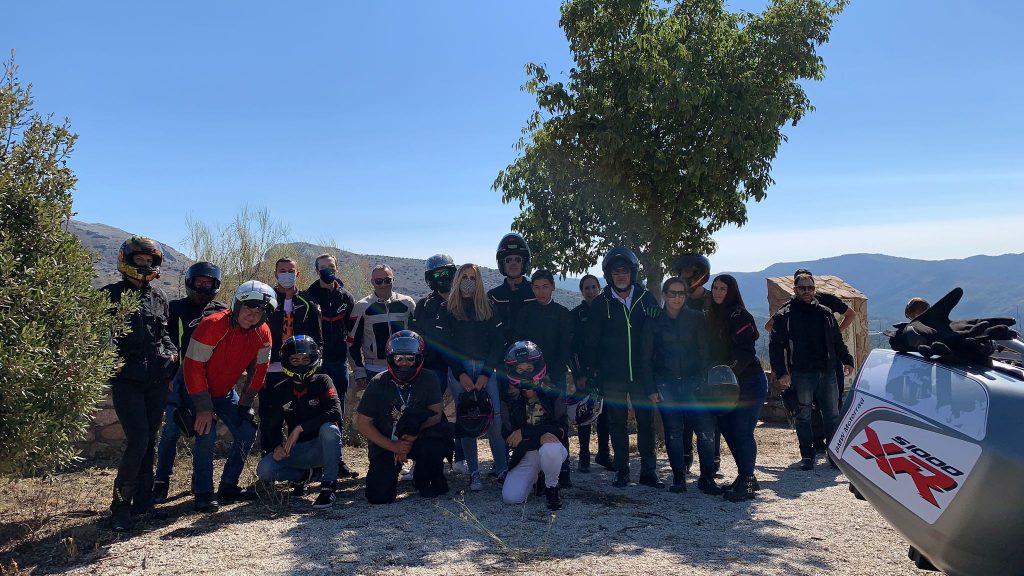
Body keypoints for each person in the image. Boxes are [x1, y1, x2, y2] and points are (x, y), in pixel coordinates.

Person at [101, 236, 178, 532]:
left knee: (150, 440)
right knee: (138, 440)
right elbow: (99, 339)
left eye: (149, 261)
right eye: (140, 260)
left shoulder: (159, 297)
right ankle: (120, 507)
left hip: (156, 380)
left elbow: (164, 334)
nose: (145, 265)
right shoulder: (109, 295)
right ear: (126, 260)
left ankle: (143, 504)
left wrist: (172, 354)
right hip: (127, 381)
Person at [183, 280, 275, 510]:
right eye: (248, 309)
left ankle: (228, 486)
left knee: (247, 430)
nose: (252, 316)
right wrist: (203, 408)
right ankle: (203, 493)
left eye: (259, 312)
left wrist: (245, 403)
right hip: (195, 390)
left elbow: (259, 370)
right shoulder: (212, 325)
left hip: (224, 393)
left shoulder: (263, 333)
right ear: (236, 305)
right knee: (207, 432)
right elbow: (193, 367)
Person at [583, 247, 663, 489]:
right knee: (616, 423)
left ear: (632, 273)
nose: (620, 275)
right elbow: (591, 341)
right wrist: (591, 372)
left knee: (646, 423)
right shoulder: (601, 303)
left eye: (625, 271)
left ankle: (648, 471)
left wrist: (656, 318)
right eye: (616, 272)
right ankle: (621, 470)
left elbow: (660, 336)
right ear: (609, 275)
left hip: (641, 373)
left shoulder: (646, 299)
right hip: (613, 374)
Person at [153, 261, 228, 504]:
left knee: (206, 432)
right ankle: (161, 481)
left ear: (215, 285)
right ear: (190, 282)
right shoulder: (175, 308)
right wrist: (170, 376)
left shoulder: (221, 311)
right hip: (180, 380)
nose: (203, 286)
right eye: (199, 282)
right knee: (171, 431)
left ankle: (201, 482)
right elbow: (167, 342)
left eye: (208, 283)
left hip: (208, 382)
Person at [769, 272, 855, 471]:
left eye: (810, 288)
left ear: (815, 290)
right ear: (795, 289)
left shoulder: (825, 312)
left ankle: (834, 456)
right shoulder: (785, 315)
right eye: (802, 288)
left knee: (832, 415)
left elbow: (836, 340)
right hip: (801, 373)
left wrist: (847, 360)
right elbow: (776, 347)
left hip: (828, 371)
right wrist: (781, 372)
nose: (806, 291)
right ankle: (807, 456)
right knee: (803, 416)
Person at [356, 331, 451, 503]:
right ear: (390, 359)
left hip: (420, 437)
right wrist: (395, 446)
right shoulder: (378, 382)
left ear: (419, 359)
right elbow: (363, 423)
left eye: (410, 358)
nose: (404, 363)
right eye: (399, 358)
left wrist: (410, 438)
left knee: (438, 436)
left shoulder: (429, 378)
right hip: (387, 440)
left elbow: (436, 415)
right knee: (379, 496)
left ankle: (424, 477)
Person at [439, 263, 509, 491]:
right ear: (458, 279)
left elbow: (498, 342)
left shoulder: (489, 307)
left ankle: (502, 469)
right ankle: (474, 473)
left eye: (473, 277)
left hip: (486, 370)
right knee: (467, 421)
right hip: (459, 372)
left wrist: (486, 374)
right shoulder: (447, 308)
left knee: (495, 420)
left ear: (478, 281)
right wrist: (460, 373)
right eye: (465, 277)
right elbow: (445, 345)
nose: (468, 281)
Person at [637, 277, 710, 494]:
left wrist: (704, 381)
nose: (676, 298)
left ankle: (707, 478)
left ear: (686, 296)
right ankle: (679, 478)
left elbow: (705, 353)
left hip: (693, 382)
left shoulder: (696, 318)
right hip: (665, 384)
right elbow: (645, 358)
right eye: (672, 293)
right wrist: (650, 388)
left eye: (681, 293)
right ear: (664, 295)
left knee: (705, 431)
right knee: (673, 433)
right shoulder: (654, 321)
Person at [256, 335, 343, 509]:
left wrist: (299, 428)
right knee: (264, 469)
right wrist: (277, 447)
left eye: (305, 359)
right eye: (295, 360)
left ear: (313, 358)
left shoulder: (323, 380)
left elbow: (335, 412)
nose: (301, 363)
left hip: (323, 448)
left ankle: (328, 486)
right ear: (286, 361)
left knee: (330, 429)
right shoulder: (280, 389)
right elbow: (273, 425)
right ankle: (305, 476)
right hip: (297, 451)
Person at [708, 274, 769, 502]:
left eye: (723, 288)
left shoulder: (740, 315)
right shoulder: (713, 315)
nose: (717, 292)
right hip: (727, 385)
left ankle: (747, 483)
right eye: (715, 288)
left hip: (749, 382)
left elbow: (745, 351)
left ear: (731, 291)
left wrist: (727, 372)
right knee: (727, 428)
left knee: (742, 431)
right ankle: (746, 476)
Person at [515, 269, 574, 487]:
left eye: (545, 287)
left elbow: (566, 348)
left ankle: (563, 469)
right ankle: (535, 467)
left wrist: (550, 375)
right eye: (537, 287)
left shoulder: (562, 313)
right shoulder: (525, 312)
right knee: (532, 419)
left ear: (553, 287)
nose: (541, 292)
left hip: (555, 377)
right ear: (532, 288)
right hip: (529, 376)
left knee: (559, 419)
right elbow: (519, 344)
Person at [260, 258, 323, 456]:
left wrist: (314, 368)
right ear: (275, 274)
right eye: (282, 270)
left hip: (300, 370)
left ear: (297, 274)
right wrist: (257, 371)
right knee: (269, 416)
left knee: (301, 416)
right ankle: (270, 459)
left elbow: (318, 340)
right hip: (270, 370)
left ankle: (302, 462)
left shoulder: (308, 303)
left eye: (291, 270)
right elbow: (254, 337)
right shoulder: (265, 301)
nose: (286, 274)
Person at [304, 253, 360, 479]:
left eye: (332, 266)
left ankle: (337, 460)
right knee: (313, 411)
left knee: (338, 411)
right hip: (314, 365)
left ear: (337, 268)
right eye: (323, 267)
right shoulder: (308, 297)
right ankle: (315, 463)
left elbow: (353, 331)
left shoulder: (345, 297)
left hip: (338, 362)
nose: (328, 270)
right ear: (316, 270)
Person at [411, 254, 465, 473]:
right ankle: (420, 459)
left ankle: (461, 458)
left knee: (465, 410)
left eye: (446, 272)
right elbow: (418, 336)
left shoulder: (465, 301)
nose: (442, 277)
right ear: (429, 278)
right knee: (425, 411)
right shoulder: (423, 305)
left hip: (461, 366)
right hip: (434, 367)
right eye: (436, 274)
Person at [500, 342, 569, 511]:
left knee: (550, 448)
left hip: (552, 450)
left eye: (529, 368)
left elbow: (561, 431)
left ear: (537, 367)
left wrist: (524, 432)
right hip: (526, 454)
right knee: (511, 498)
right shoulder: (509, 398)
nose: (525, 373)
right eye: (520, 370)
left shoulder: (553, 393)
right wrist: (541, 437)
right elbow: (510, 438)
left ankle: (552, 487)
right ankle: (536, 477)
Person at [670, 254, 721, 477]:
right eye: (682, 273)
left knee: (710, 416)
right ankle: (685, 457)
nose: (685, 277)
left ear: (700, 274)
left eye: (689, 273)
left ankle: (713, 460)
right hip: (684, 366)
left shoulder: (714, 299)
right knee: (684, 417)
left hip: (711, 364)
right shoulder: (677, 300)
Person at [349, 264, 416, 388]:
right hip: (373, 369)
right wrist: (359, 372)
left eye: (387, 280)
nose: (383, 284)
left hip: (404, 367)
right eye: (378, 281)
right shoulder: (362, 306)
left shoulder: (407, 303)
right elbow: (352, 342)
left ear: (393, 279)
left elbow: (418, 336)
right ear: (372, 282)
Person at [571, 274, 611, 473]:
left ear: (599, 289)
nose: (591, 291)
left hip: (606, 371)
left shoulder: (609, 311)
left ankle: (604, 454)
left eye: (594, 287)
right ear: (581, 291)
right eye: (586, 288)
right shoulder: (575, 315)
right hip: (583, 372)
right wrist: (579, 374)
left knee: (606, 414)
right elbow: (572, 348)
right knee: (584, 414)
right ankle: (584, 456)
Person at [488, 233, 536, 348]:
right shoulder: (493, 297)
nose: (513, 263)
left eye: (518, 260)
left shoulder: (535, 292)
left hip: (534, 355)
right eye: (508, 260)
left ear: (524, 263)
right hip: (501, 356)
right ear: (502, 264)